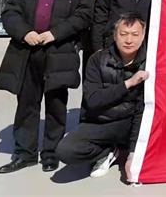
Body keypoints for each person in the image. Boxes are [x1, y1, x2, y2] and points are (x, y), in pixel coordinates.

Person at [0, 0, 93, 174]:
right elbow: (10, 12)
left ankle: (51, 153)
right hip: (28, 51)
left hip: (59, 52)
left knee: (56, 106)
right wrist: (25, 32)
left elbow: (84, 15)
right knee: (27, 105)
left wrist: (55, 33)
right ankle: (25, 154)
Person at [56, 13, 148, 180]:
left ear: (143, 36)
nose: (129, 40)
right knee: (65, 150)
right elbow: (93, 99)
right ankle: (106, 152)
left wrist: (133, 154)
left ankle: (129, 149)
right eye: (123, 34)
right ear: (115, 35)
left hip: (132, 123)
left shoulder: (150, 63)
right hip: (103, 121)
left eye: (135, 34)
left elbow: (141, 110)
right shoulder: (98, 60)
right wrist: (128, 84)